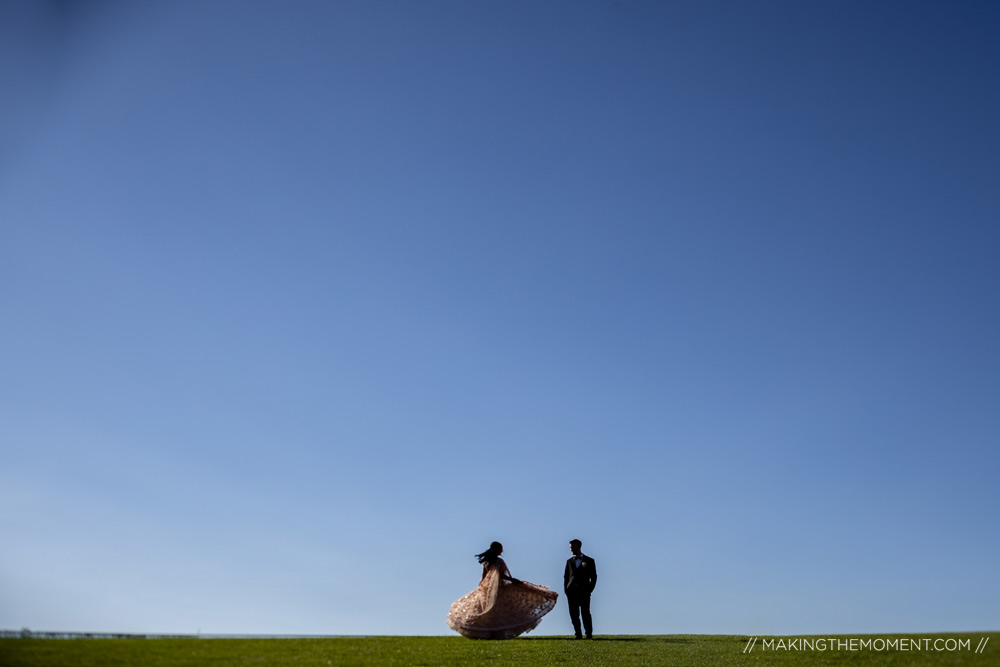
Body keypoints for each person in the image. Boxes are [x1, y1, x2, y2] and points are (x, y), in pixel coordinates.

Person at [446, 541, 558, 639]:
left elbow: (484, 578)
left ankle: (488, 633)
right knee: (502, 610)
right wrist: (513, 580)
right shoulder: (499, 562)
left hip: (487, 590)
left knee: (489, 611)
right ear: (498, 549)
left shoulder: (487, 563)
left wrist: (482, 587)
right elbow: (501, 576)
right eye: (501, 549)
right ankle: (494, 632)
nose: (502, 551)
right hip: (499, 589)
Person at [564, 539, 597, 639]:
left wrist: (590, 589)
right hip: (571, 591)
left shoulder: (590, 561)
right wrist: (566, 590)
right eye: (570, 547)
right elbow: (566, 576)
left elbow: (594, 576)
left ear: (578, 546)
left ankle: (588, 633)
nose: (571, 549)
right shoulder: (569, 561)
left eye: (572, 547)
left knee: (585, 613)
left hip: (584, 591)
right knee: (574, 614)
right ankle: (578, 633)